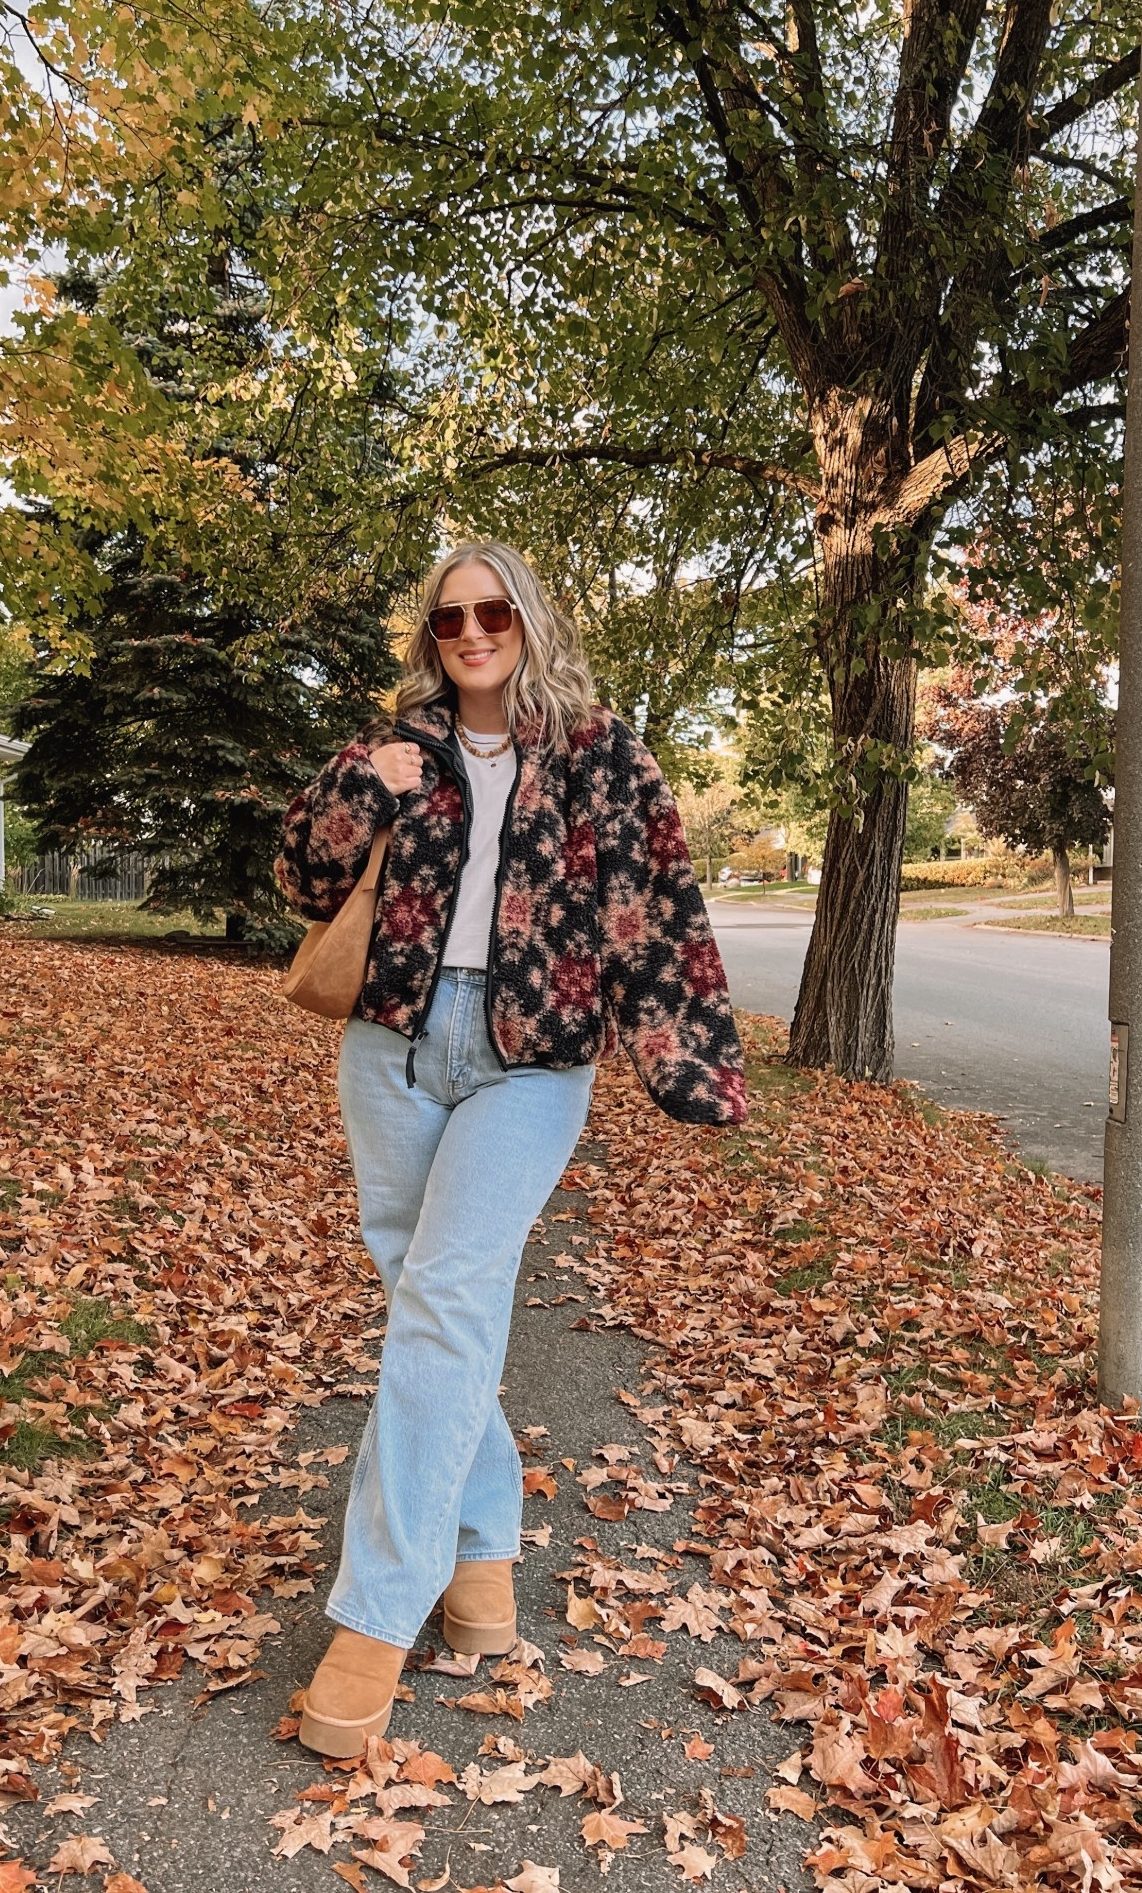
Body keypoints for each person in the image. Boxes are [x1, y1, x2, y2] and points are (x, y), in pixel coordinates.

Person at [275, 537, 746, 1758]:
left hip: (534, 1055)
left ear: (528, 619)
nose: (472, 632)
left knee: (444, 1294)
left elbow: (658, 902)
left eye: (491, 612)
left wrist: (688, 1055)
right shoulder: (397, 743)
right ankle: (483, 1568)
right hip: (390, 1045)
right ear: (430, 639)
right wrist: (360, 786)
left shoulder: (600, 750)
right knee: (430, 1303)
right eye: (448, 620)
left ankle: (375, 1618)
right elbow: (298, 875)